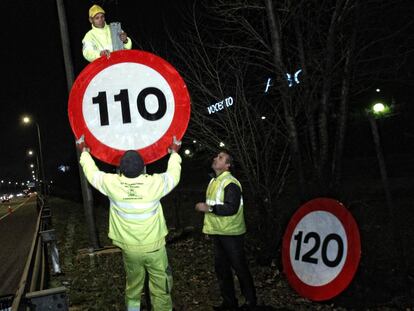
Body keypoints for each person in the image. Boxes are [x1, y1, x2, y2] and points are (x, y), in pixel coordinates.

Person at [77, 135, 182, 311]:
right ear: (143, 168)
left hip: (130, 250)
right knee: (161, 289)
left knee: (133, 289)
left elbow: (92, 174)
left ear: (120, 170)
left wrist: (84, 153)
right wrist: (174, 153)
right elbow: (173, 175)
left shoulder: (112, 184)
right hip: (155, 248)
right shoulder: (154, 184)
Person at [195, 150, 257, 311]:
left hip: (231, 234)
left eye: (220, 157)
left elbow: (231, 208)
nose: (216, 158)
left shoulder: (230, 183)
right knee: (222, 270)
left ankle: (251, 303)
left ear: (227, 165)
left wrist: (208, 208)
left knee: (240, 268)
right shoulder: (214, 181)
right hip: (218, 233)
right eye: (216, 156)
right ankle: (229, 303)